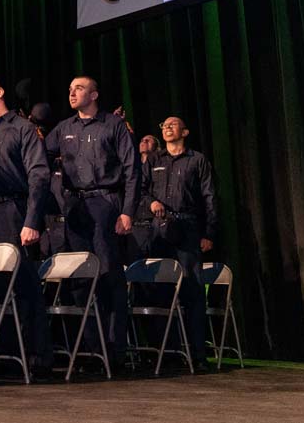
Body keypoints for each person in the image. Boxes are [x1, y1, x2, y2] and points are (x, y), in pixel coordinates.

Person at [44, 76, 138, 369]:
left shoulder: (113, 125)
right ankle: (91, 350)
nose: (72, 92)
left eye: (79, 88)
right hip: (75, 206)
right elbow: (38, 154)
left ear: (94, 94)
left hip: (105, 202)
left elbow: (132, 170)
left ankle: (115, 350)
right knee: (81, 278)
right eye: (70, 88)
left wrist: (128, 211)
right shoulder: (64, 128)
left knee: (109, 275)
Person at [0, 78, 54, 375]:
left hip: (13, 210)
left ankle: (38, 356)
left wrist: (32, 221)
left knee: (23, 284)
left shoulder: (22, 127)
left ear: (0, 92)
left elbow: (39, 175)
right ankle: (4, 356)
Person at [145, 116, 218, 371]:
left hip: (188, 227)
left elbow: (209, 197)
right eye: (163, 124)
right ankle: (166, 352)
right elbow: (141, 190)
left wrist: (208, 232)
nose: (166, 127)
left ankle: (198, 354)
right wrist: (150, 203)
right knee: (160, 290)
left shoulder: (197, 160)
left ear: (184, 131)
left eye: (172, 124)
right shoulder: (154, 160)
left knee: (192, 290)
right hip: (160, 228)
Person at [124, 134, 161, 264]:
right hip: (135, 225)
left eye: (148, 140)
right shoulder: (133, 167)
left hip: (154, 223)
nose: (143, 142)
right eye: (142, 140)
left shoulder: (159, 167)